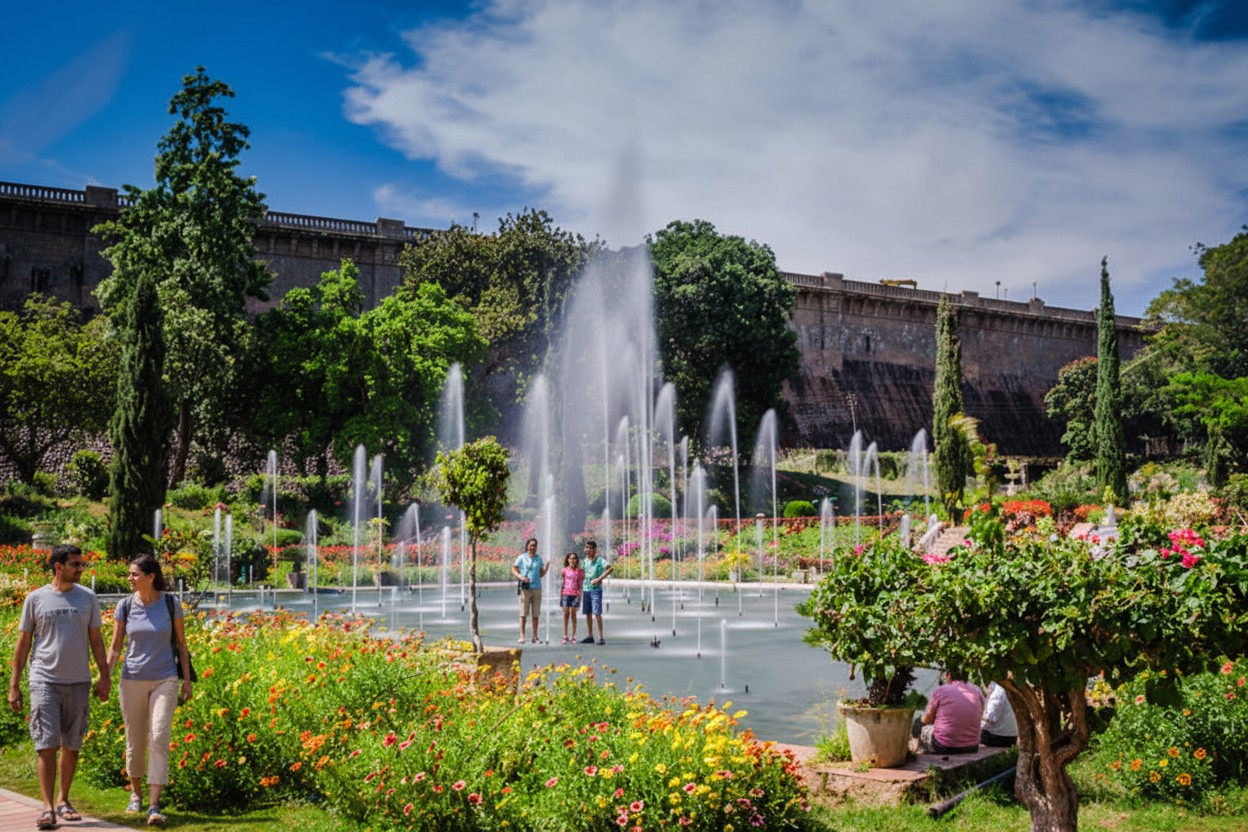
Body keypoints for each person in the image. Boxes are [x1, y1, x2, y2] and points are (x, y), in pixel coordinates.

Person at [8, 544, 110, 831]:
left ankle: (64, 800)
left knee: (72, 745)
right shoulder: (36, 598)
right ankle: (48, 807)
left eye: (81, 565)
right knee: (46, 744)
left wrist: (104, 676)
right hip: (44, 680)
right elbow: (23, 644)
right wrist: (14, 685)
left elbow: (97, 640)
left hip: (78, 680)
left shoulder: (88, 598)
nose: (80, 569)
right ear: (58, 566)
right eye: (75, 565)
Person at [106, 554, 193, 827]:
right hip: (131, 678)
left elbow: (181, 645)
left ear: (150, 576)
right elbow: (115, 646)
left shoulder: (171, 604)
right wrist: (104, 678)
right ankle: (136, 793)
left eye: (134, 574)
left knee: (158, 735)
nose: (130, 578)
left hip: (165, 678)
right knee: (135, 739)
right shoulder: (125, 606)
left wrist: (187, 680)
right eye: (130, 574)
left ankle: (154, 804)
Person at [918, 669, 984, 755]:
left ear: (948, 676)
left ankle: (914, 751)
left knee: (918, 723)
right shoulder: (977, 691)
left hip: (944, 745)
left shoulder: (940, 690)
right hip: (972, 746)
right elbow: (980, 714)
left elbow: (926, 720)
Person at [511, 538, 549, 644]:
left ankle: (535, 636)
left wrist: (546, 567)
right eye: (531, 545)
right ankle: (522, 636)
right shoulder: (522, 557)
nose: (533, 547)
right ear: (527, 546)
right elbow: (514, 569)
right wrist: (521, 577)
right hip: (525, 589)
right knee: (523, 613)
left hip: (537, 588)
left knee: (535, 614)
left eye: (535, 545)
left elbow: (541, 574)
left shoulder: (538, 559)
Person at [579, 541, 613, 645]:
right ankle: (590, 636)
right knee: (588, 613)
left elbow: (610, 568)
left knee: (597, 613)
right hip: (586, 589)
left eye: (590, 548)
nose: (587, 550)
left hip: (595, 590)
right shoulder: (584, 561)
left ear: (594, 550)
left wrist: (599, 579)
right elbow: (582, 574)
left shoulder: (599, 560)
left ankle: (601, 637)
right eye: (586, 548)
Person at [980, 680, 1018, 747]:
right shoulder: (1006, 688)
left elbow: (990, 717)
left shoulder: (997, 690)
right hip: (1010, 736)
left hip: (999, 737)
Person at [559, 552, 584, 644]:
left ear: (577, 560)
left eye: (574, 558)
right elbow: (563, 584)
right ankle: (565, 635)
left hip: (575, 595)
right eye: (570, 558)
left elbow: (580, 586)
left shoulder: (580, 572)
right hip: (566, 594)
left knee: (573, 615)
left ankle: (573, 636)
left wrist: (580, 599)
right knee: (565, 615)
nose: (572, 560)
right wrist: (561, 597)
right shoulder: (564, 570)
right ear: (567, 560)